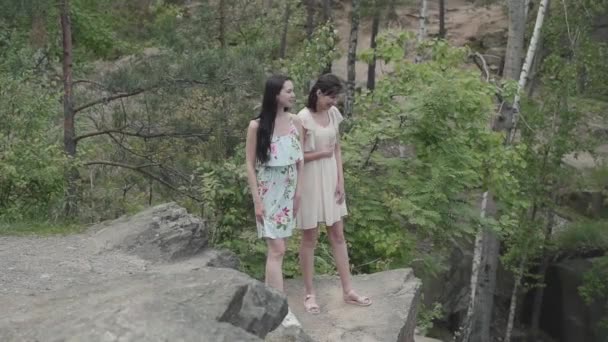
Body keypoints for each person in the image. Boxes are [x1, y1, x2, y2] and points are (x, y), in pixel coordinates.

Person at [296, 73, 372, 314]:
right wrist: (320, 154)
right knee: (310, 238)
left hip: (330, 179)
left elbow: (336, 148)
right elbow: (296, 157)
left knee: (338, 234)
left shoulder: (333, 115)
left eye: (336, 98)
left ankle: (348, 290)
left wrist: (341, 180)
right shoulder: (302, 118)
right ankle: (309, 294)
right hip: (309, 181)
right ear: (318, 93)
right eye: (331, 97)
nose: (334, 102)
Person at [245, 75, 303, 325]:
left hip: (289, 190)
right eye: (288, 91)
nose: (292, 95)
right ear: (275, 95)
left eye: (292, 91)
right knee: (277, 249)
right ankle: (282, 311)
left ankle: (270, 304)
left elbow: (300, 161)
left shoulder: (295, 122)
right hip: (268, 191)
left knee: (280, 250)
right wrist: (257, 200)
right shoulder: (256, 126)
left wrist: (299, 192)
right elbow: (249, 164)